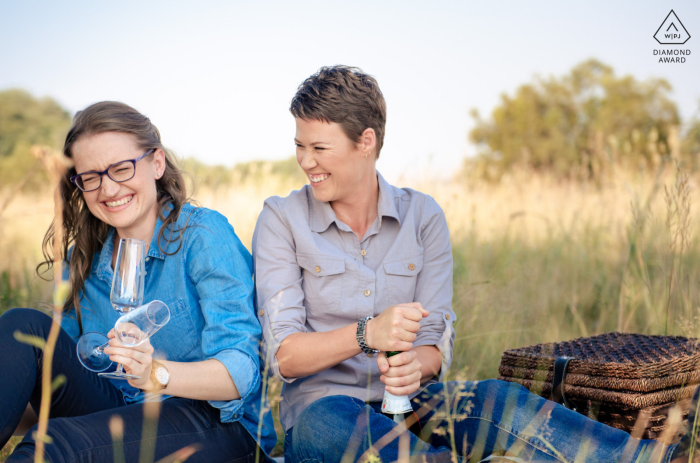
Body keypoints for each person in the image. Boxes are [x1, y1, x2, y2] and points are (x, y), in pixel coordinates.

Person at [252, 65, 698, 463]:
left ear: (365, 141)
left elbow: (433, 348)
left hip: (414, 408)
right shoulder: (282, 219)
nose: (305, 162)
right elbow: (285, 357)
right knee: (326, 425)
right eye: (299, 146)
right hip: (324, 415)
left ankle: (646, 459)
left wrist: (417, 366)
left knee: (498, 399)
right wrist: (367, 334)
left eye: (319, 148)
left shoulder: (423, 216)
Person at [0, 101, 276, 463]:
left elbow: (241, 372)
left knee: (53, 445)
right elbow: (57, 387)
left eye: (121, 168)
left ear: (156, 163)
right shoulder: (81, 261)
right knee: (23, 326)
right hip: (119, 410)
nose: (108, 189)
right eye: (91, 177)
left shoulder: (202, 236)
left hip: (216, 421)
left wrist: (154, 373)